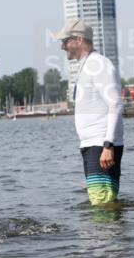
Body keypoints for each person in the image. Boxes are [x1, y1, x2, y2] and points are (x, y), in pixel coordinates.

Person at [52, 19, 124, 205]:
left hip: (101, 144)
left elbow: (115, 103)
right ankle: (102, 234)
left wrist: (108, 145)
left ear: (79, 40)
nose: (62, 47)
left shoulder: (99, 64)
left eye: (65, 41)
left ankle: (104, 234)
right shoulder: (87, 64)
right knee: (101, 202)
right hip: (91, 144)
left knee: (102, 203)